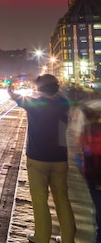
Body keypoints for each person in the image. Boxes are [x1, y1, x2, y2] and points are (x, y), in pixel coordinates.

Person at [8, 74, 75, 243]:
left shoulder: (33, 103)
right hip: (60, 158)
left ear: (39, 89)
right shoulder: (64, 104)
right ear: (56, 88)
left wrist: (10, 86)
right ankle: (68, 239)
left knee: (40, 201)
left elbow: (13, 95)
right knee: (62, 199)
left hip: (38, 158)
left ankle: (41, 237)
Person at [71, 99, 101, 243]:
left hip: (95, 174)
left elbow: (79, 142)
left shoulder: (86, 113)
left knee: (98, 208)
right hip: (95, 172)